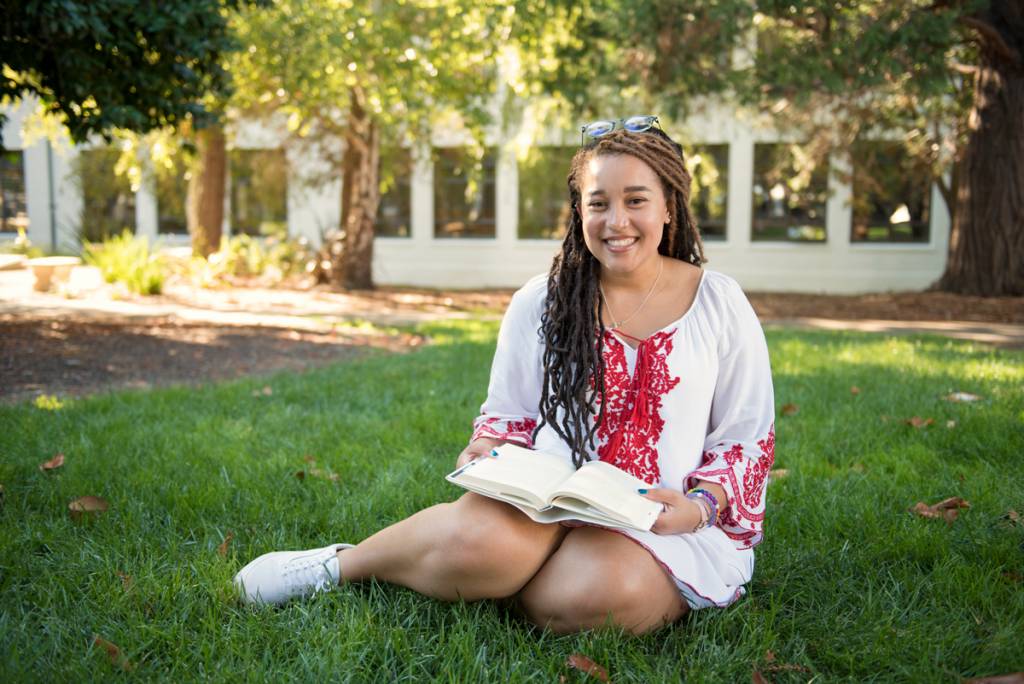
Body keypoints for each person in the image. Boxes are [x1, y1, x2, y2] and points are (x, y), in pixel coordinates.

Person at [234, 116, 775, 635]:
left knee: (584, 602)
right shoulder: (541, 302)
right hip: (546, 501)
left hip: (663, 521)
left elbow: (746, 437)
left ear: (668, 209)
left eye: (636, 201)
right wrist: (485, 448)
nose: (616, 222)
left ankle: (505, 574)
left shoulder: (719, 303)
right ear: (578, 212)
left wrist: (702, 506)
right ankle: (341, 566)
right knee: (479, 549)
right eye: (598, 204)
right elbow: (508, 416)